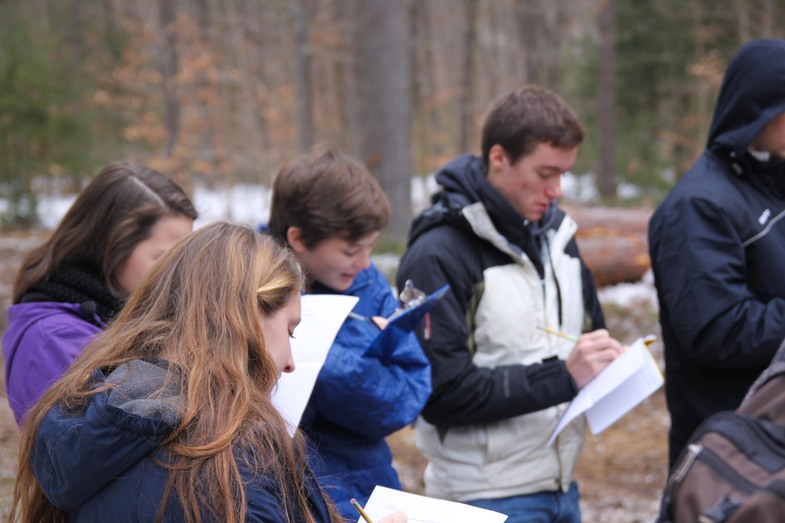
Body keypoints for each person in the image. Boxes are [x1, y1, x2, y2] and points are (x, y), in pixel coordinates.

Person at [9, 222, 407, 523]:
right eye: (289, 330)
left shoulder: (82, 416)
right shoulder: (230, 469)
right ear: (246, 319)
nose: (289, 361)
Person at [395, 85, 624, 523]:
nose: (556, 190)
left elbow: (590, 335)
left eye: (564, 175)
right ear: (498, 158)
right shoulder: (437, 253)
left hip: (563, 489)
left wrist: (606, 365)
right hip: (482, 500)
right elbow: (440, 393)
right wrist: (564, 376)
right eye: (545, 173)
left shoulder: (559, 239)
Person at [266, 147, 431, 520]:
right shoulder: (248, 285)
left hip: (366, 485)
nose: (366, 262)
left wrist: (324, 361)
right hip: (282, 492)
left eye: (370, 247)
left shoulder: (367, 284)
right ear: (299, 238)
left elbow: (410, 390)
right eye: (351, 249)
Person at [648, 38, 785, 470]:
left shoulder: (772, 182)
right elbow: (717, 333)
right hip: (729, 462)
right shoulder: (698, 206)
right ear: (759, 111)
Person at [2, 160, 197, 426]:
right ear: (113, 246)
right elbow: (99, 448)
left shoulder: (116, 312)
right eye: (163, 258)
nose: (178, 273)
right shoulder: (54, 341)